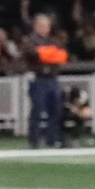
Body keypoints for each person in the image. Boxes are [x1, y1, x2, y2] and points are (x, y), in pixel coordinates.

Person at [26, 11, 71, 148]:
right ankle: (34, 140)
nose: (45, 29)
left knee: (55, 109)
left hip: (52, 78)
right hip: (38, 79)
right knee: (38, 110)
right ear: (36, 27)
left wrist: (46, 53)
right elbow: (35, 54)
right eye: (42, 26)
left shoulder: (53, 41)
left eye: (47, 26)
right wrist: (50, 54)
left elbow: (62, 56)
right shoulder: (30, 41)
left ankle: (52, 139)